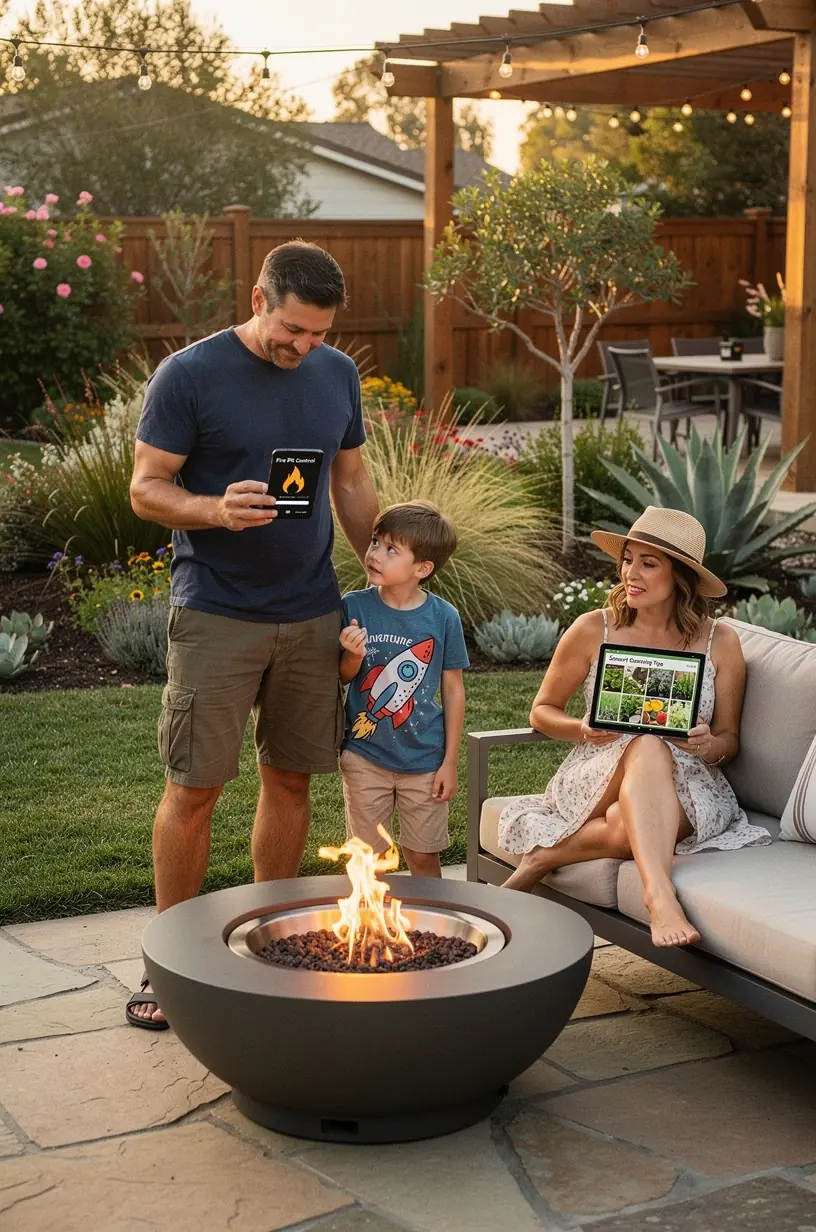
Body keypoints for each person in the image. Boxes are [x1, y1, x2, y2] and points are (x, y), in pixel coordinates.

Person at [126, 241, 378, 1027]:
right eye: (293, 329)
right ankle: (169, 963)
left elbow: (351, 478)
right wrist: (210, 509)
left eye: (318, 334)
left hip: (311, 613)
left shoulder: (335, 373)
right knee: (195, 788)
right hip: (218, 613)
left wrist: (379, 576)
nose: (304, 347)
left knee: (294, 778)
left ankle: (269, 939)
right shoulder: (190, 375)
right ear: (260, 295)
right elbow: (145, 487)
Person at [499, 506, 770, 947]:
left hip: (689, 783)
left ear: (679, 575)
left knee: (629, 824)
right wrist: (581, 728)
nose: (631, 573)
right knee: (646, 744)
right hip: (598, 769)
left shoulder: (719, 641)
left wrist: (707, 746)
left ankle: (540, 860)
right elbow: (542, 711)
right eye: (628, 559)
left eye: (648, 563)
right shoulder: (592, 629)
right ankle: (660, 898)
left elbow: (729, 740)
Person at [338, 501, 468, 877]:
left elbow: (454, 690)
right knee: (368, 863)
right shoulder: (353, 606)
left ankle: (432, 930)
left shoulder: (443, 617)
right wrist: (351, 655)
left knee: (423, 857)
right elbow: (345, 677)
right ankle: (366, 932)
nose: (374, 553)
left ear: (422, 569)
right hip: (365, 756)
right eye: (376, 542)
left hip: (426, 762)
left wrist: (449, 763)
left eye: (391, 549)